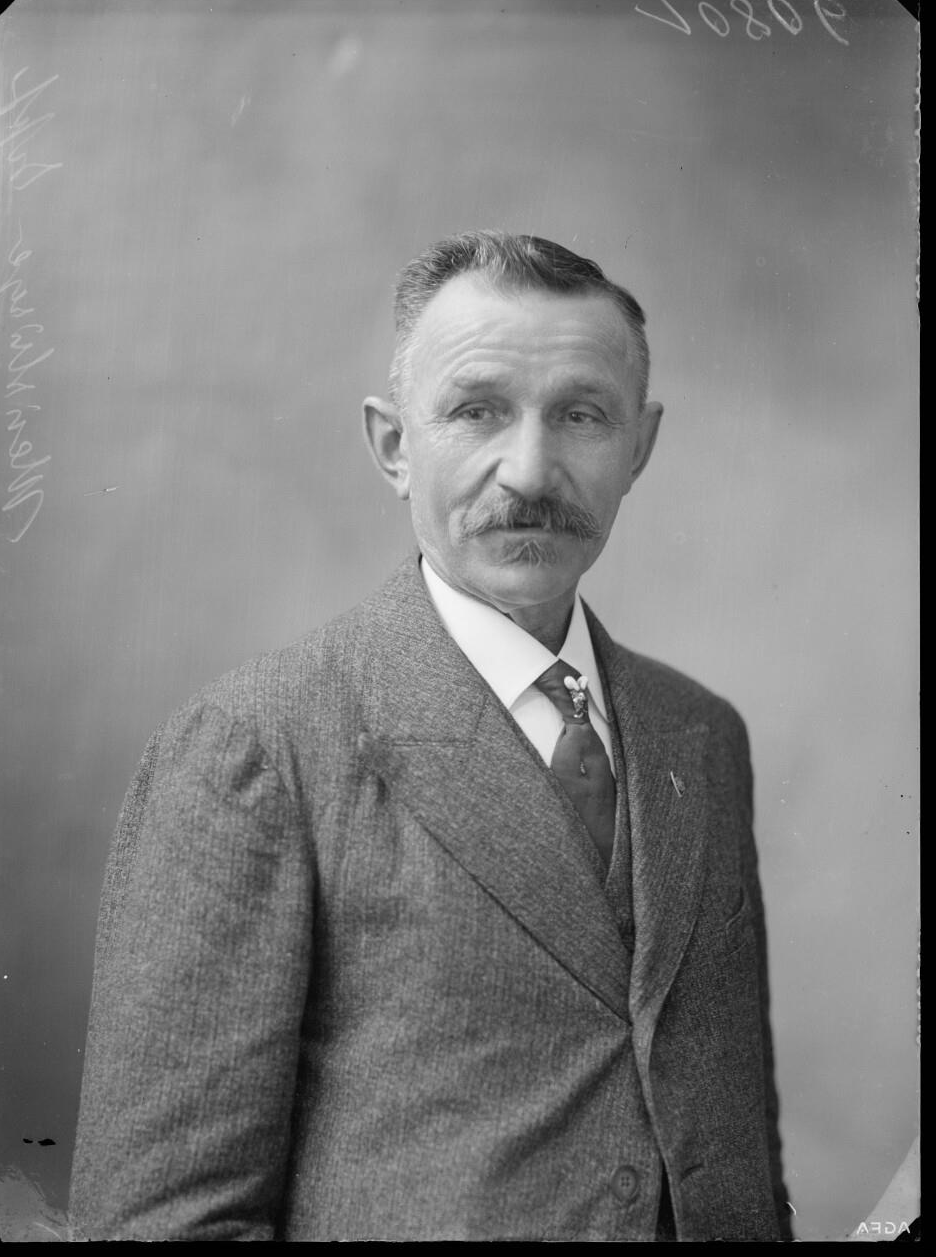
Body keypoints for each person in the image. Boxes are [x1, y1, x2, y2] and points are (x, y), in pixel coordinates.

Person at [69, 231, 792, 1242]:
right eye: (476, 411)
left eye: (581, 415)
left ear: (639, 446)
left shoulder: (698, 736)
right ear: (393, 447)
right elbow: (161, 1221)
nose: (530, 471)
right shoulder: (256, 747)